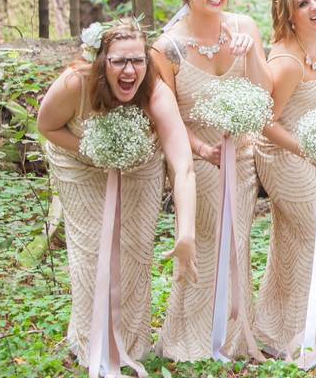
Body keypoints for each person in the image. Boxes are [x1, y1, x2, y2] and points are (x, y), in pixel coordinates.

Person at [38, 18, 198, 370]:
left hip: (141, 163)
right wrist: (92, 150)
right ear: (102, 61)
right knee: (93, 250)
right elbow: (46, 125)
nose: (130, 70)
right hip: (78, 162)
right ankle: (90, 341)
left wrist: (186, 231)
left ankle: (131, 342)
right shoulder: (74, 83)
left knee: (135, 248)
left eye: (137, 60)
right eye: (119, 61)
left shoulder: (155, 91)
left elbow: (182, 164)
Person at [152, 0, 268, 361]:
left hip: (242, 159)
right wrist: (202, 149)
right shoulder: (167, 48)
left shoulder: (245, 28)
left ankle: (235, 336)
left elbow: (264, 93)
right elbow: (165, 115)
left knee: (237, 243)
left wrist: (250, 51)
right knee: (204, 243)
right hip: (197, 161)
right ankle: (194, 338)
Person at [253, 0, 316, 361]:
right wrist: (305, 150)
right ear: (288, 14)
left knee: (300, 239)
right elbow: (265, 122)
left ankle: (282, 327)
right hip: (283, 153)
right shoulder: (286, 62)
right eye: (302, 3)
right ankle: (308, 335)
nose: (314, 7)